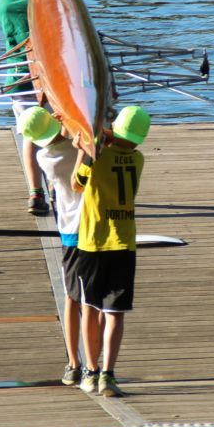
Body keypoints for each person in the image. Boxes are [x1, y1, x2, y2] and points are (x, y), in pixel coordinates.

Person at [17, 106, 100, 387]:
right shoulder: (80, 149)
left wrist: (60, 126)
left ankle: (73, 364)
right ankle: (91, 365)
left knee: (71, 298)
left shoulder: (43, 156)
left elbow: (62, 141)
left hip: (68, 233)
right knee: (91, 302)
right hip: (89, 231)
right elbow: (84, 146)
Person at [71, 105, 150, 397]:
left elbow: (77, 184)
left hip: (92, 242)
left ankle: (90, 372)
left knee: (90, 308)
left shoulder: (97, 155)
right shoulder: (138, 159)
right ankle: (109, 374)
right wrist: (100, 136)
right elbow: (117, 140)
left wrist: (83, 149)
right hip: (124, 243)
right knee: (115, 312)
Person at [0, 0, 48, 216]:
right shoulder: (37, 0)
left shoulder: (1, 4)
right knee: (57, 133)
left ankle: (35, 192)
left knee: (31, 134)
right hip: (46, 75)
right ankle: (63, 188)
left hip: (17, 78)